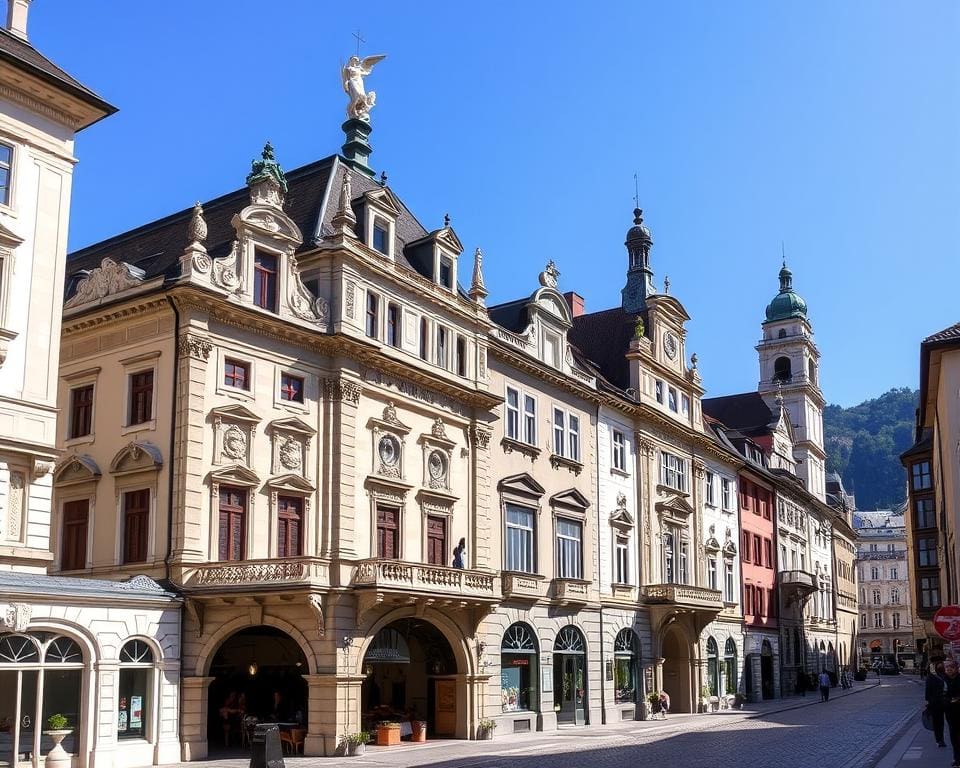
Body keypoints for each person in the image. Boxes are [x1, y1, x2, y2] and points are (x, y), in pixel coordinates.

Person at [925, 661, 947, 749]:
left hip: (945, 702)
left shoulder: (944, 675)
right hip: (935, 703)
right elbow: (928, 691)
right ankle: (939, 739)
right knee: (938, 722)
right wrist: (928, 701)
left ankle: (940, 739)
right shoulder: (931, 677)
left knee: (941, 722)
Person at [943, 658, 960, 768]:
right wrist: (949, 700)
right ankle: (957, 759)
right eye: (947, 667)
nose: (949, 669)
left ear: (957, 669)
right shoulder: (943, 680)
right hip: (950, 713)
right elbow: (940, 695)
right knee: (954, 736)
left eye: (951, 667)